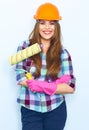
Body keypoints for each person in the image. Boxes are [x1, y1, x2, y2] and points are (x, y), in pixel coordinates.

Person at [15, 2, 76, 130]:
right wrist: (38, 85)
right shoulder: (25, 47)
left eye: (52, 23)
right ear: (37, 25)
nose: (47, 27)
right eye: (42, 23)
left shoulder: (62, 53)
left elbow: (70, 87)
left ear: (56, 26)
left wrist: (43, 86)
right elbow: (20, 76)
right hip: (30, 108)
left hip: (56, 109)